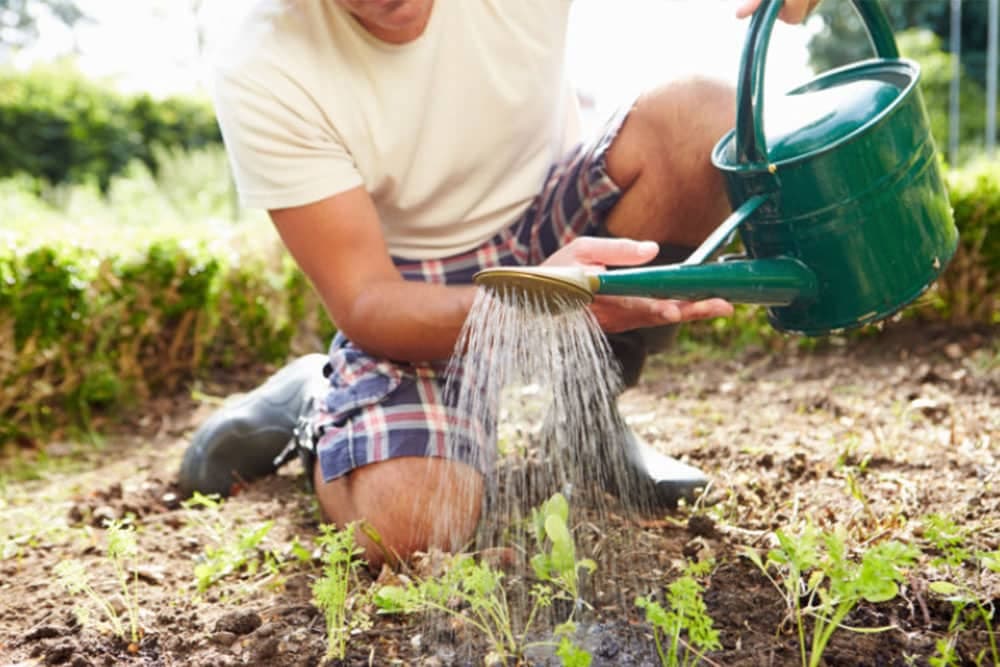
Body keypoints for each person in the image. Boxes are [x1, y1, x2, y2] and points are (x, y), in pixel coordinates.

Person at [178, 0, 818, 568]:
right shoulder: (263, 57)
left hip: (549, 212)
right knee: (413, 525)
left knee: (700, 116)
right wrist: (529, 300)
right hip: (412, 283)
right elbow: (368, 299)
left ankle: (585, 422)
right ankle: (321, 402)